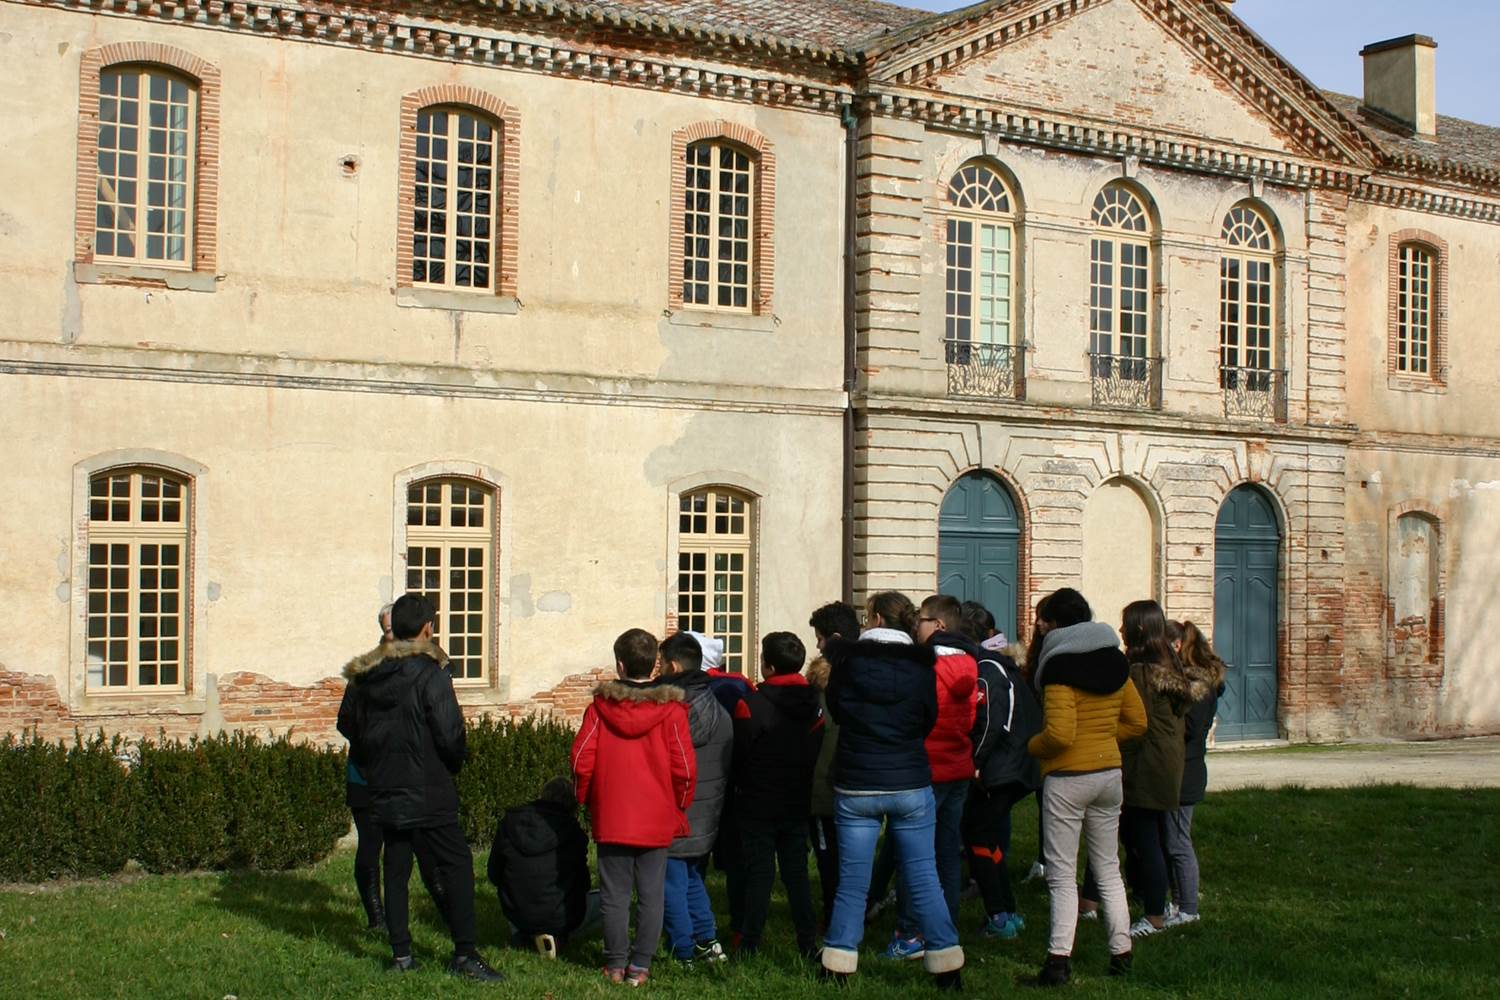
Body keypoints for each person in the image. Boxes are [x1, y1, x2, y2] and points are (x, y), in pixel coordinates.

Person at [337, 593, 503, 982]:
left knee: (396, 866)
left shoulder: (367, 676)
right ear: (428, 629)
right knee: (457, 865)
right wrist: (452, 763)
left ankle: (401, 954)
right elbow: (450, 734)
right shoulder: (430, 675)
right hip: (429, 785)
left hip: (386, 785)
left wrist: (373, 759)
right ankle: (464, 954)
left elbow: (349, 724)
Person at [820, 591, 963, 991]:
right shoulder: (922, 668)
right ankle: (946, 960)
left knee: (853, 880)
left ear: (877, 619)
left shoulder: (846, 664)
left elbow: (838, 710)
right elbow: (927, 719)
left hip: (857, 781)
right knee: (923, 875)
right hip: (909, 780)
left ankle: (839, 960)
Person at [1026, 588, 1146, 987]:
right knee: (1108, 867)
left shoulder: (1059, 667)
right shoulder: (1115, 661)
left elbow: (1058, 735)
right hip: (1109, 773)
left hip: (1067, 778)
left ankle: (1058, 962)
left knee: (1061, 875)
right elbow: (1137, 723)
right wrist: (1103, 741)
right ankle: (1121, 953)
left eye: (1045, 620)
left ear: (1056, 624)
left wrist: (1032, 747)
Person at [572, 628, 696, 987]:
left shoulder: (599, 710)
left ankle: (614, 964)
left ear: (620, 665)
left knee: (614, 894)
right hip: (656, 814)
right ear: (655, 668)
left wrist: (584, 797)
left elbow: (581, 759)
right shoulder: (672, 712)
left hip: (613, 812)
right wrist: (680, 804)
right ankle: (639, 965)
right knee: (651, 893)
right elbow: (685, 768)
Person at [881, 594, 979, 961]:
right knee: (946, 853)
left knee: (913, 856)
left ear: (937, 626)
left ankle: (910, 934)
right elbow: (969, 719)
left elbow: (915, 716)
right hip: (957, 767)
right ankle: (945, 927)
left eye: (920, 619)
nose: (914, 625)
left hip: (926, 768)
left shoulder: (925, 666)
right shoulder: (969, 663)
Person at [731, 631, 825, 957]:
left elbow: (739, 754)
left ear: (767, 666)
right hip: (797, 797)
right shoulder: (815, 704)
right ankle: (807, 942)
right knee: (796, 874)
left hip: (757, 799)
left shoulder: (751, 705)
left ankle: (750, 941)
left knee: (759, 873)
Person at [1108, 600, 1194, 939]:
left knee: (1147, 841)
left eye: (1125, 623)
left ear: (1139, 629)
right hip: (1165, 762)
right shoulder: (1169, 666)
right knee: (1149, 837)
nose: (1121, 630)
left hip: (1146, 763)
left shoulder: (1141, 672)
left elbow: (1134, 722)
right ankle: (1155, 901)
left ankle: (1154, 915)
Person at [959, 600, 1042, 940]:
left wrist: (975, 763)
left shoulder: (987, 668)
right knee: (986, 836)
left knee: (976, 833)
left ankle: (999, 918)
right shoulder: (999, 664)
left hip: (1004, 767)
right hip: (1017, 765)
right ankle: (1007, 912)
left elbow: (992, 721)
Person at [655, 631, 734, 967]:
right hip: (707, 814)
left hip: (677, 809)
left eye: (660, 664)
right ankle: (706, 938)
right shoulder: (717, 707)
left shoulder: (674, 712)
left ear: (673, 665)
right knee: (690, 878)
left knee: (670, 881)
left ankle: (683, 947)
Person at [687, 630, 755, 942]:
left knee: (694, 857)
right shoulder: (741, 684)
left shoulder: (692, 689)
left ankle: (692, 920)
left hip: (702, 783)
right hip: (737, 780)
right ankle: (740, 924)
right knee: (736, 860)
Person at [487, 776, 597, 958]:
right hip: (560, 916)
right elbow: (582, 884)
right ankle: (556, 936)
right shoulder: (573, 833)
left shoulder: (511, 823)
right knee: (609, 902)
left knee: (520, 896)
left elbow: (494, 874)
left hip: (518, 912)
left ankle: (523, 934)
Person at [1164, 620, 1226, 928]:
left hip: (1185, 770)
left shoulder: (1197, 688)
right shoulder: (1192, 683)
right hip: (1181, 768)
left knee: (1178, 841)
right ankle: (1177, 903)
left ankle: (1188, 908)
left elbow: (1191, 728)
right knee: (1172, 840)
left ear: (1178, 647)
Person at [806, 601, 859, 932]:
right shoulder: (869, 674)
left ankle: (836, 917)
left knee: (830, 861)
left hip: (827, 787)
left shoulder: (823, 688)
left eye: (820, 638)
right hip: (861, 782)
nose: (817, 645)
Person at [341, 602, 393, 933]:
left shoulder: (421, 666)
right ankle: (376, 915)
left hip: (401, 776)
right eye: (389, 630)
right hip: (366, 773)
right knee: (371, 846)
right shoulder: (364, 670)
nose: (394, 636)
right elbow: (345, 720)